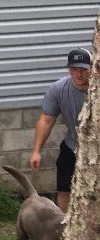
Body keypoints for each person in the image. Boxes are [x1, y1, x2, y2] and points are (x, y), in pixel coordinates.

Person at [30, 47, 92, 213]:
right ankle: (62, 228)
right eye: (75, 69)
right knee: (64, 188)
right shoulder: (59, 89)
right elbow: (46, 120)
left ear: (92, 69)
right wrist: (37, 151)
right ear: (69, 69)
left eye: (84, 70)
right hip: (72, 145)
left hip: (95, 150)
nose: (79, 74)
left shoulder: (96, 91)